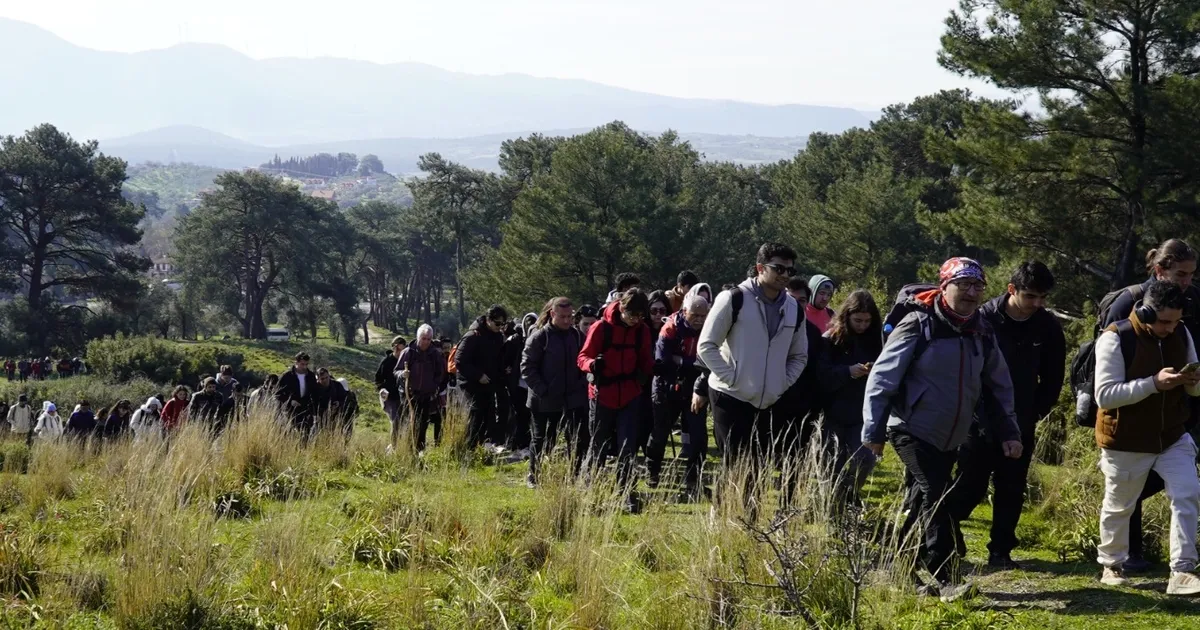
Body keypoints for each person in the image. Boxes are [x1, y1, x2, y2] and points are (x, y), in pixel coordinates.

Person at [862, 257, 1023, 600]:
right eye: (962, 284)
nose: (971, 292)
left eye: (977, 286)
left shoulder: (981, 330)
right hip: (910, 427)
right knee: (938, 493)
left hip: (952, 433)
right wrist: (873, 432)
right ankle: (945, 575)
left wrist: (1009, 432)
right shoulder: (917, 324)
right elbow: (881, 379)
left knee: (923, 497)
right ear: (943, 286)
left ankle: (898, 567)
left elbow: (999, 385)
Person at [948, 262, 1066, 569]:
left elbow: (1053, 377)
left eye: (1043, 297)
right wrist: (979, 417)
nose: (1037, 304)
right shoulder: (982, 319)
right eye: (1030, 296)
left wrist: (1033, 414)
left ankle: (1000, 551)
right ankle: (944, 531)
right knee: (969, 485)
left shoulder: (1048, 326)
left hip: (1021, 418)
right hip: (979, 418)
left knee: (1012, 488)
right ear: (1011, 290)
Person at [1091, 280, 1200, 594]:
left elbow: (1193, 389)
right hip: (1126, 438)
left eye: (1177, 320)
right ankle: (1111, 565)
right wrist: (1154, 383)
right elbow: (1106, 396)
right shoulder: (1116, 338)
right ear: (1144, 310)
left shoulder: (1181, 332)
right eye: (1164, 320)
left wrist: (1192, 381)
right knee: (1120, 505)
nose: (1171, 327)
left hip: (1173, 435)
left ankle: (1182, 572)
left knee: (1187, 494)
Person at [698, 243, 809, 515]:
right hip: (730, 397)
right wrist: (732, 378)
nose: (785, 275)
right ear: (761, 268)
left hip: (770, 399)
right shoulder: (733, 298)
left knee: (759, 467)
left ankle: (748, 528)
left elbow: (799, 356)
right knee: (735, 465)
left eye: (789, 270)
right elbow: (706, 345)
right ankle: (722, 526)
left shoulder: (794, 308)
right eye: (778, 268)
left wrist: (781, 383)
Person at [578, 288, 654, 513]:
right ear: (621, 307)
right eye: (633, 316)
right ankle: (590, 491)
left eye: (641, 316)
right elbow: (582, 357)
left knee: (628, 447)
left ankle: (626, 493)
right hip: (602, 394)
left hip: (630, 394)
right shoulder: (601, 328)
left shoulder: (642, 331)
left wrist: (655, 369)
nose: (636, 321)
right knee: (598, 445)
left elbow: (646, 360)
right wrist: (592, 365)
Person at [817, 290, 883, 505]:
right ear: (846, 317)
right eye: (857, 320)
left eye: (866, 321)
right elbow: (820, 375)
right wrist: (847, 372)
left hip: (862, 413)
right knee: (832, 465)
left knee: (864, 460)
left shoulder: (877, 341)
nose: (862, 325)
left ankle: (847, 497)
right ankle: (832, 507)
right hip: (831, 412)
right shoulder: (830, 340)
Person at [647, 292, 711, 502]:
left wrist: (684, 362)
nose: (699, 320)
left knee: (698, 436)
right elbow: (663, 361)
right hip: (667, 387)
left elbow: (709, 360)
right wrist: (691, 363)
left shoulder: (709, 329)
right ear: (685, 312)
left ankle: (694, 480)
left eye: (703, 316)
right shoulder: (670, 328)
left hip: (695, 388)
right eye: (695, 315)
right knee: (660, 434)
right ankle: (653, 472)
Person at [523, 297, 589, 487]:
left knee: (575, 440)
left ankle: (574, 476)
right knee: (542, 439)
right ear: (552, 314)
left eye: (570, 316)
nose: (567, 320)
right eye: (563, 317)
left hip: (572, 398)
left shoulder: (577, 336)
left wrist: (581, 384)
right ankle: (534, 475)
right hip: (543, 400)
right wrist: (543, 390)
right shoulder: (539, 337)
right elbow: (527, 367)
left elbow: (586, 360)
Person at [774, 276, 827, 504]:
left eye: (802, 300)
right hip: (768, 403)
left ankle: (788, 506)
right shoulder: (768, 330)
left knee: (797, 459)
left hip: (803, 406)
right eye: (790, 298)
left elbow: (820, 372)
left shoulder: (815, 335)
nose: (796, 304)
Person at [455, 305, 510, 451]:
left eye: (502, 324)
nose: (500, 327)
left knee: (488, 415)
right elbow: (459, 361)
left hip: (488, 384)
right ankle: (469, 449)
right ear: (488, 320)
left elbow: (497, 359)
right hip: (470, 384)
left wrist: (503, 369)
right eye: (497, 323)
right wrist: (478, 375)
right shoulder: (473, 336)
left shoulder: (498, 337)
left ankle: (482, 448)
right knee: (475, 415)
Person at [395, 325, 446, 452]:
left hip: (426, 395)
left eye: (429, 339)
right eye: (424, 338)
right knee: (410, 423)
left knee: (423, 424)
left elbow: (440, 373)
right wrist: (402, 374)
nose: (426, 342)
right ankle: (407, 450)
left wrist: (434, 386)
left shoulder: (434, 354)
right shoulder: (408, 352)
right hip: (409, 395)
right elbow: (396, 371)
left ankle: (419, 451)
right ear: (418, 338)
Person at [501, 314, 537, 454]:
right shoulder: (515, 341)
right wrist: (507, 369)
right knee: (519, 414)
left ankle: (525, 443)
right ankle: (516, 443)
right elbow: (504, 358)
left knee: (529, 415)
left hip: (532, 385)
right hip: (518, 384)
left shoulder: (538, 340)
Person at [277, 352, 317, 437]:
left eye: (306, 364)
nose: (304, 367)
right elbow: (278, 393)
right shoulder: (287, 376)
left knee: (305, 434)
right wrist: (290, 401)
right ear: (296, 362)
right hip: (290, 410)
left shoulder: (311, 376)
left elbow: (314, 393)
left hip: (306, 409)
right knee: (291, 434)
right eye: (302, 364)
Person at [376, 336, 407, 428]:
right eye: (396, 348)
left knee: (403, 422)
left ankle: (402, 441)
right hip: (389, 397)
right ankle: (394, 443)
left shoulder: (406, 362)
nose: (398, 352)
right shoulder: (387, 362)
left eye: (401, 349)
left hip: (402, 396)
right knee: (395, 422)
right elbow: (378, 378)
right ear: (393, 347)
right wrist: (382, 389)